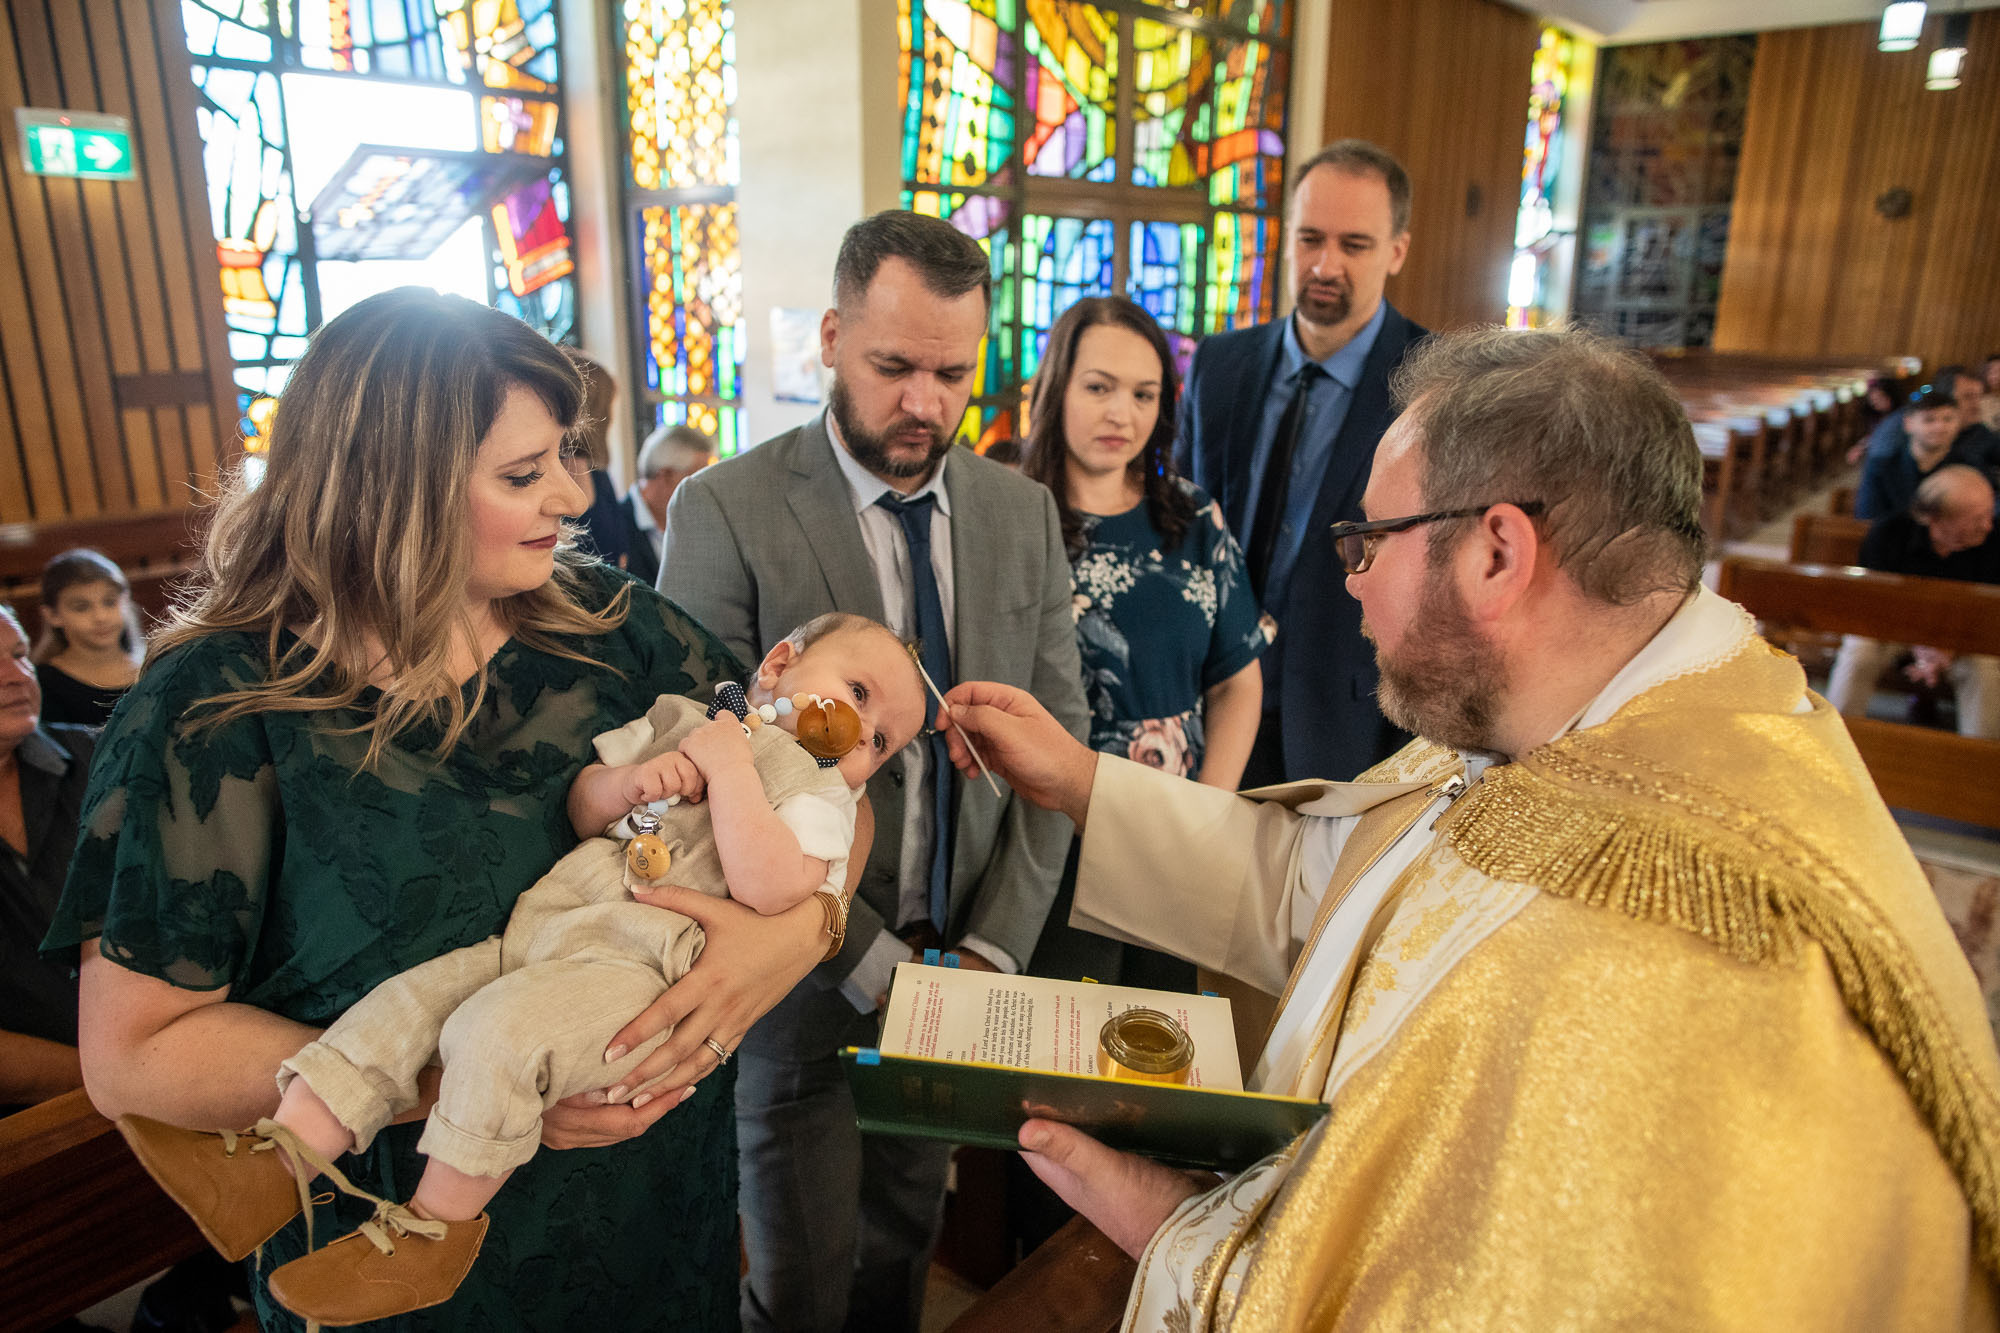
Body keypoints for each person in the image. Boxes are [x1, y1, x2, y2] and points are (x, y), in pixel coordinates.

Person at [939, 324, 2000, 1328]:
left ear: (1497, 553)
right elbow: (1337, 881)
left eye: (1364, 539)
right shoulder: (1575, 714)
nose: (1347, 584)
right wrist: (1081, 780)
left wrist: (1185, 1242)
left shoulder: (1678, 948)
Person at [41, 288, 839, 1332]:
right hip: (400, 1254)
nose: (571, 495)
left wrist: (783, 945)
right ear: (386, 489)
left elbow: (819, 788)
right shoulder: (216, 707)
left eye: (567, 453)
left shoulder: (616, 627)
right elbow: (135, 1057)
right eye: (523, 473)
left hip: (651, 1223)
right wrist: (490, 1078)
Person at [120, 613, 924, 1326]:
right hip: (550, 920)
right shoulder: (688, 715)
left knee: (493, 1032)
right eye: (857, 690)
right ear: (779, 665)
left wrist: (732, 774)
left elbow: (775, 883)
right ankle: (280, 1156)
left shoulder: (823, 792)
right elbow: (585, 803)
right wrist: (636, 782)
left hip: (638, 963)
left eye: (883, 741)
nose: (862, 732)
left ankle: (432, 1228)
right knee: (406, 1005)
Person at [660, 209, 1089, 1333]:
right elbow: (703, 772)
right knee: (798, 1284)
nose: (924, 403)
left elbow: (1059, 755)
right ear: (832, 337)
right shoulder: (727, 512)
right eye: (892, 366)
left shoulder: (1018, 512)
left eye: (952, 373)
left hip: (958, 963)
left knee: (901, 1254)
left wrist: (990, 947)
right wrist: (870, 965)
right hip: (796, 982)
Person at [2, 601, 247, 1333]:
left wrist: (162, 1064)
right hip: (35, 1137)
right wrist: (127, 1070)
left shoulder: (101, 756)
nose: (15, 678)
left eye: (18, 656)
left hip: (174, 1086)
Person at [1018, 294, 1265, 986]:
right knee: (1050, 1050)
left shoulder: (1193, 518)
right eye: (1098, 387)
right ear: (1057, 387)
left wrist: (1206, 813)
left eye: (1143, 393)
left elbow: (1237, 680)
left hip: (1171, 837)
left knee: (1155, 1038)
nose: (1120, 413)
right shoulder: (1011, 518)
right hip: (1044, 838)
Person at [1175, 139, 1429, 786]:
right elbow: (1178, 524)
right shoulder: (1219, 366)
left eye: (1354, 244)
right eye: (1310, 238)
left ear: (1397, 249)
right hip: (1201, 706)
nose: (1325, 264)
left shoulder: (1437, 386)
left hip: (1343, 728)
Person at [1825, 464, 2000, 738]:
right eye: (1976, 518)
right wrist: (1920, 640)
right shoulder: (1889, 533)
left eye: (1989, 515)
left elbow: (1991, 613)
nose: (1987, 526)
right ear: (1935, 518)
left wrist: (1946, 647)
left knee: (1984, 667)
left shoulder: (1994, 541)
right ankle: (1832, 740)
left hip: (1963, 637)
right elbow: (1871, 603)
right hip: (1892, 628)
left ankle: (1981, 758)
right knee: (1860, 651)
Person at [31, 548, 144, 727]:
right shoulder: (44, 685)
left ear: (126, 600)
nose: (100, 617)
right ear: (52, 615)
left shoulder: (154, 666)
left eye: (109, 602)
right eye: (81, 607)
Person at [1855, 382, 1989, 521]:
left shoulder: (1971, 467)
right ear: (1908, 424)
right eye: (1929, 420)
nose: (1940, 427)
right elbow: (1868, 519)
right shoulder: (1881, 467)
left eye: (1948, 419)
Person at [607, 423, 715, 586]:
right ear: (665, 475)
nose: (704, 491)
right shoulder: (613, 525)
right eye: (696, 481)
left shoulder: (699, 526)